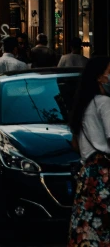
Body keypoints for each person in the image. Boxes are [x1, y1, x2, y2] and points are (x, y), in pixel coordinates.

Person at [68, 55, 110, 246]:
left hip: (88, 174)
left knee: (88, 228)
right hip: (104, 174)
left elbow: (75, 144)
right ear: (99, 77)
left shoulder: (83, 104)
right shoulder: (104, 103)